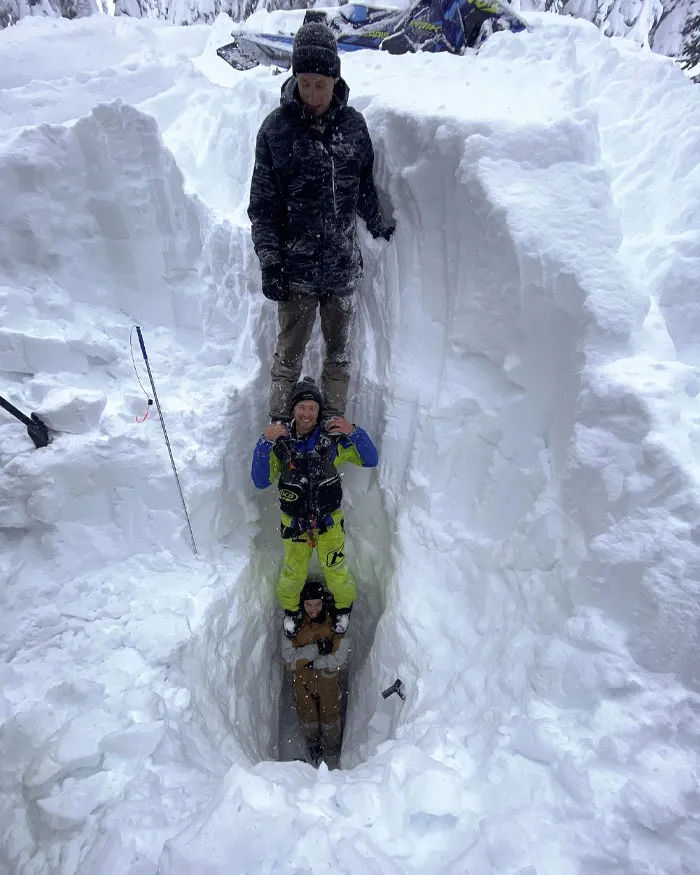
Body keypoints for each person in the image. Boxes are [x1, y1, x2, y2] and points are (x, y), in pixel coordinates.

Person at [248, 20, 395, 424]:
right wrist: (270, 261)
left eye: (321, 84)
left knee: (339, 356)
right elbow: (261, 206)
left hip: (342, 269)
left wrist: (378, 225)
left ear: (336, 80)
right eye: (305, 82)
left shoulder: (354, 127)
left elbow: (363, 186)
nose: (312, 94)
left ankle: (331, 427)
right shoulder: (276, 131)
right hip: (295, 273)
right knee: (288, 358)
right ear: (294, 78)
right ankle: (280, 428)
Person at [251, 376, 378, 636]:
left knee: (336, 572)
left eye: (312, 408)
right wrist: (264, 442)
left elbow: (370, 459)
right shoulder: (282, 446)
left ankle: (342, 610)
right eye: (301, 407)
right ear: (293, 410)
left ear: (319, 411)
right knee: (293, 574)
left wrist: (352, 431)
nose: (306, 413)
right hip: (294, 527)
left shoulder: (330, 444)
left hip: (329, 524)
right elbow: (261, 480)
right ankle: (291, 611)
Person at [281, 578, 350, 769]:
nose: (313, 609)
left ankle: (332, 751)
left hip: (328, 681)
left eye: (318, 604)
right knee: (307, 716)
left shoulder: (334, 622)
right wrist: (316, 649)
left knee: (330, 717)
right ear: (302, 604)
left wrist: (313, 662)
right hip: (303, 683)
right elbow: (288, 660)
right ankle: (313, 745)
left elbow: (340, 657)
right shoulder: (294, 626)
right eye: (309, 605)